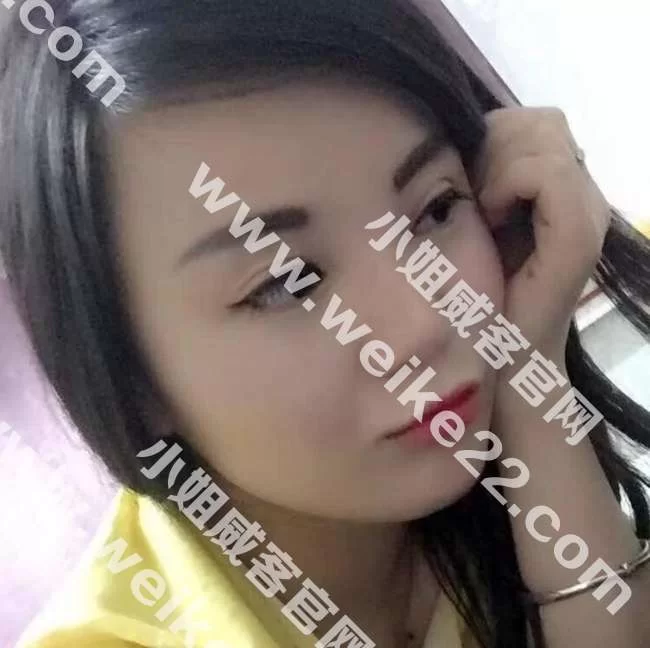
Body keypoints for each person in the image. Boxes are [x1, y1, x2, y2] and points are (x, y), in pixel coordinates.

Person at [2, 1, 650, 646]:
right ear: (130, 379)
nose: (423, 322)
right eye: (283, 284)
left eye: (434, 209)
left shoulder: (474, 504)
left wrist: (530, 377)